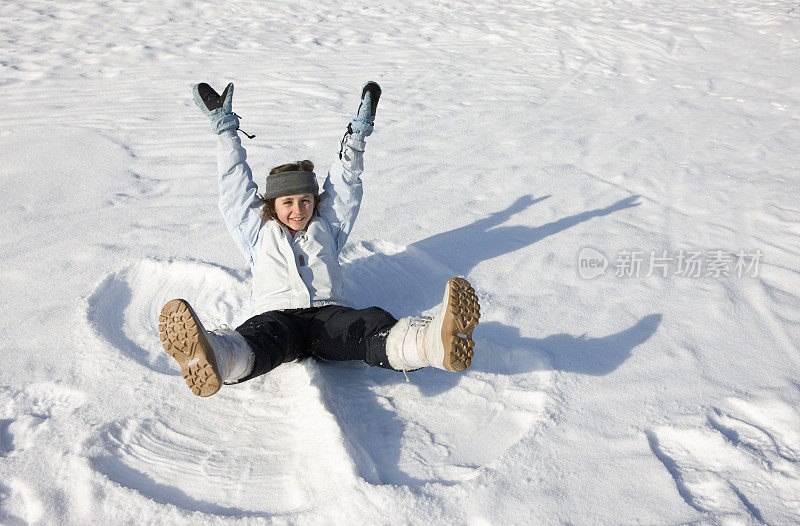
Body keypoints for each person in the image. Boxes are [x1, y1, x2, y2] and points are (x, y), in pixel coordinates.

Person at [158, 81, 481, 397]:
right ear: (272, 205)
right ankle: (216, 356)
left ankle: (430, 344)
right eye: (287, 202)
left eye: (305, 201)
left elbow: (346, 184)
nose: (298, 210)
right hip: (277, 314)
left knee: (366, 325)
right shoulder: (256, 233)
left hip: (328, 315)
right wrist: (226, 131)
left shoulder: (328, 227)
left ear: (316, 202)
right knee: (261, 338)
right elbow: (233, 186)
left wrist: (357, 136)